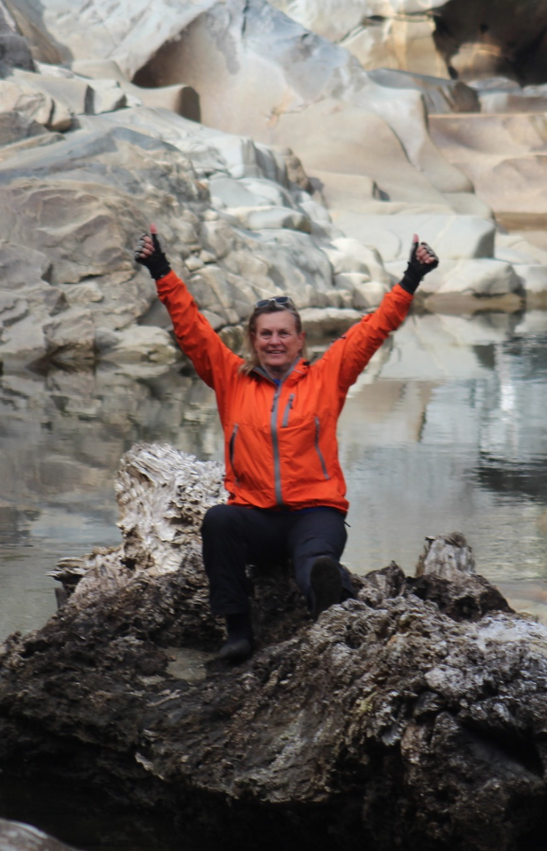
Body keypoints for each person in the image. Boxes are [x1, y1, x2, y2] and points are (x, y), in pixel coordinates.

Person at [134, 225, 438, 662]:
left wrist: (411, 277)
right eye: (265, 334)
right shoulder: (229, 378)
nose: (274, 341)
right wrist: (161, 270)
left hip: (315, 512)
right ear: (253, 341)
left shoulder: (326, 375)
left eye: (283, 334)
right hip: (254, 516)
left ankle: (333, 606)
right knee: (219, 521)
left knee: (314, 561)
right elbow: (192, 329)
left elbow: (372, 329)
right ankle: (237, 633)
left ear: (300, 341)